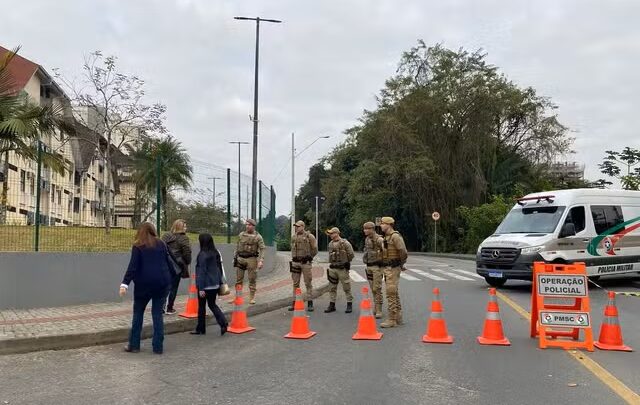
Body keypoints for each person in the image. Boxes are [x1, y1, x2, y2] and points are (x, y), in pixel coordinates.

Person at [119, 222, 174, 354]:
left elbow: (133, 267)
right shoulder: (161, 244)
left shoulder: (138, 245)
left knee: (138, 313)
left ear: (140, 231)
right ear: (153, 230)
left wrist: (124, 284)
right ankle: (158, 347)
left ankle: (134, 345)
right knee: (157, 315)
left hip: (143, 285)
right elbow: (168, 262)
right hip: (162, 284)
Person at [190, 233, 229, 336]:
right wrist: (220, 282)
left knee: (201, 307)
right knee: (212, 304)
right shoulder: (216, 252)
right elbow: (219, 269)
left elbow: (201, 272)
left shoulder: (202, 255)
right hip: (215, 284)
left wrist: (201, 288)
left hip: (205, 285)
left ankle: (200, 328)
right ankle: (223, 323)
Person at [379, 216, 408, 328]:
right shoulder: (387, 237)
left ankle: (392, 319)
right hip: (388, 267)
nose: (381, 225)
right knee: (393, 292)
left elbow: (403, 251)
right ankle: (398, 316)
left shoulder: (395, 236)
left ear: (389, 224)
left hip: (393, 267)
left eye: (382, 223)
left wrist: (400, 263)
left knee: (390, 292)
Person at [161, 219, 192, 314]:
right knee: (173, 287)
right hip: (176, 265)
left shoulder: (166, 236)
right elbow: (187, 253)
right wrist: (187, 262)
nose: (186, 228)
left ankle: (161, 306)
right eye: (185, 226)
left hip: (164, 264)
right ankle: (169, 308)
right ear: (180, 228)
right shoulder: (183, 238)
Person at [234, 219, 266, 305]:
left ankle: (252, 298)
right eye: (246, 224)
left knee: (252, 279)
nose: (247, 226)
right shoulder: (241, 235)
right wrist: (235, 257)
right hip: (240, 258)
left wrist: (261, 260)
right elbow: (237, 246)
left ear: (253, 226)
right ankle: (238, 297)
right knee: (238, 279)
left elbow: (262, 249)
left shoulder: (258, 237)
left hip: (251, 259)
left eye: (249, 225)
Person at [289, 220, 318, 312]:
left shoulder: (310, 236)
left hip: (305, 263)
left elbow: (315, 249)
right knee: (295, 283)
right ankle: (295, 302)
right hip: (296, 263)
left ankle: (310, 302)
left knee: (308, 283)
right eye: (295, 226)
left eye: (298, 226)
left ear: (303, 227)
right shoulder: (294, 237)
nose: (296, 228)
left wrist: (310, 257)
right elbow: (293, 249)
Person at [324, 227, 355, 314]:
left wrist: (346, 262)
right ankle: (332, 305)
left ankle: (349, 304)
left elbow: (351, 254)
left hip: (342, 268)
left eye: (332, 233)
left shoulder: (345, 243)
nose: (330, 235)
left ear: (337, 233)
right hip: (333, 268)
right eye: (330, 233)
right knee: (332, 287)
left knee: (346, 287)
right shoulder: (330, 244)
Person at [363, 221, 385, 319]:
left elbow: (386, 250)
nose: (365, 231)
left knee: (377, 289)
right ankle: (376, 307)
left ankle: (379, 309)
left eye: (367, 229)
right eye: (364, 229)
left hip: (377, 267)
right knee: (372, 289)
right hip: (369, 266)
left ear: (372, 229)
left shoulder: (379, 239)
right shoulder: (367, 239)